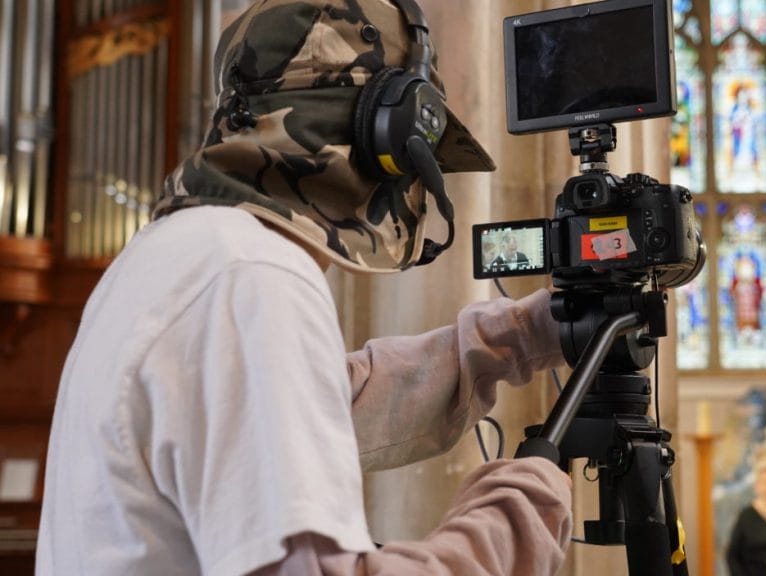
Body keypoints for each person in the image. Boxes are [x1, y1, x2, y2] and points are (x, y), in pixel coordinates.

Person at [37, 1, 572, 575]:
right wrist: (517, 516)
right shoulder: (254, 278)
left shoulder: (176, 255)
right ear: (389, 133)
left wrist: (524, 335)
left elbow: (325, 404)